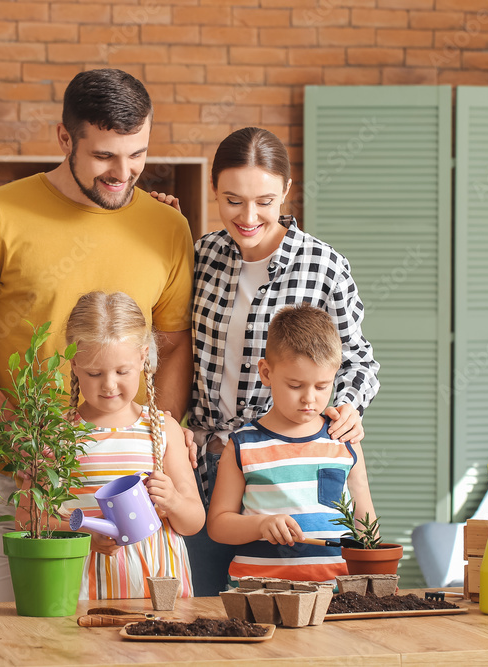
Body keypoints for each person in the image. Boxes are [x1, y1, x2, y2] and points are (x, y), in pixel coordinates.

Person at [0, 69, 194, 603]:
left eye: (137, 154)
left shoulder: (167, 226)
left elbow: (173, 343)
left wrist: (163, 433)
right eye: (104, 157)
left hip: (130, 491)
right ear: (65, 138)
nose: (124, 173)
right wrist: (22, 440)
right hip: (15, 487)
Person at [160, 126, 380, 593]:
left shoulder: (324, 266)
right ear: (215, 191)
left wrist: (347, 410)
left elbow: (358, 361)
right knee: (203, 613)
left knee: (290, 612)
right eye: (232, 200)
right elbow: (172, 345)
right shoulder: (200, 257)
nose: (249, 215)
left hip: (286, 472)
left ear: (286, 191)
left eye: (264, 200)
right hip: (205, 465)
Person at [206, 304, 377, 582]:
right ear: (266, 373)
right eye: (295, 386)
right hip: (258, 594)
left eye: (322, 386)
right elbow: (218, 526)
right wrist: (261, 525)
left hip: (336, 593)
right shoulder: (242, 445)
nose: (309, 398)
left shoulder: (344, 441)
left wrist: (376, 576)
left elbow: (365, 522)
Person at [63, 291, 204, 600]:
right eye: (94, 373)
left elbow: (194, 520)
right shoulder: (58, 433)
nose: (109, 384)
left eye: (122, 371)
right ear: (74, 362)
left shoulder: (163, 429)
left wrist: (174, 503)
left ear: (143, 358)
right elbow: (27, 517)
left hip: (160, 588)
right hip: (85, 589)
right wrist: (85, 536)